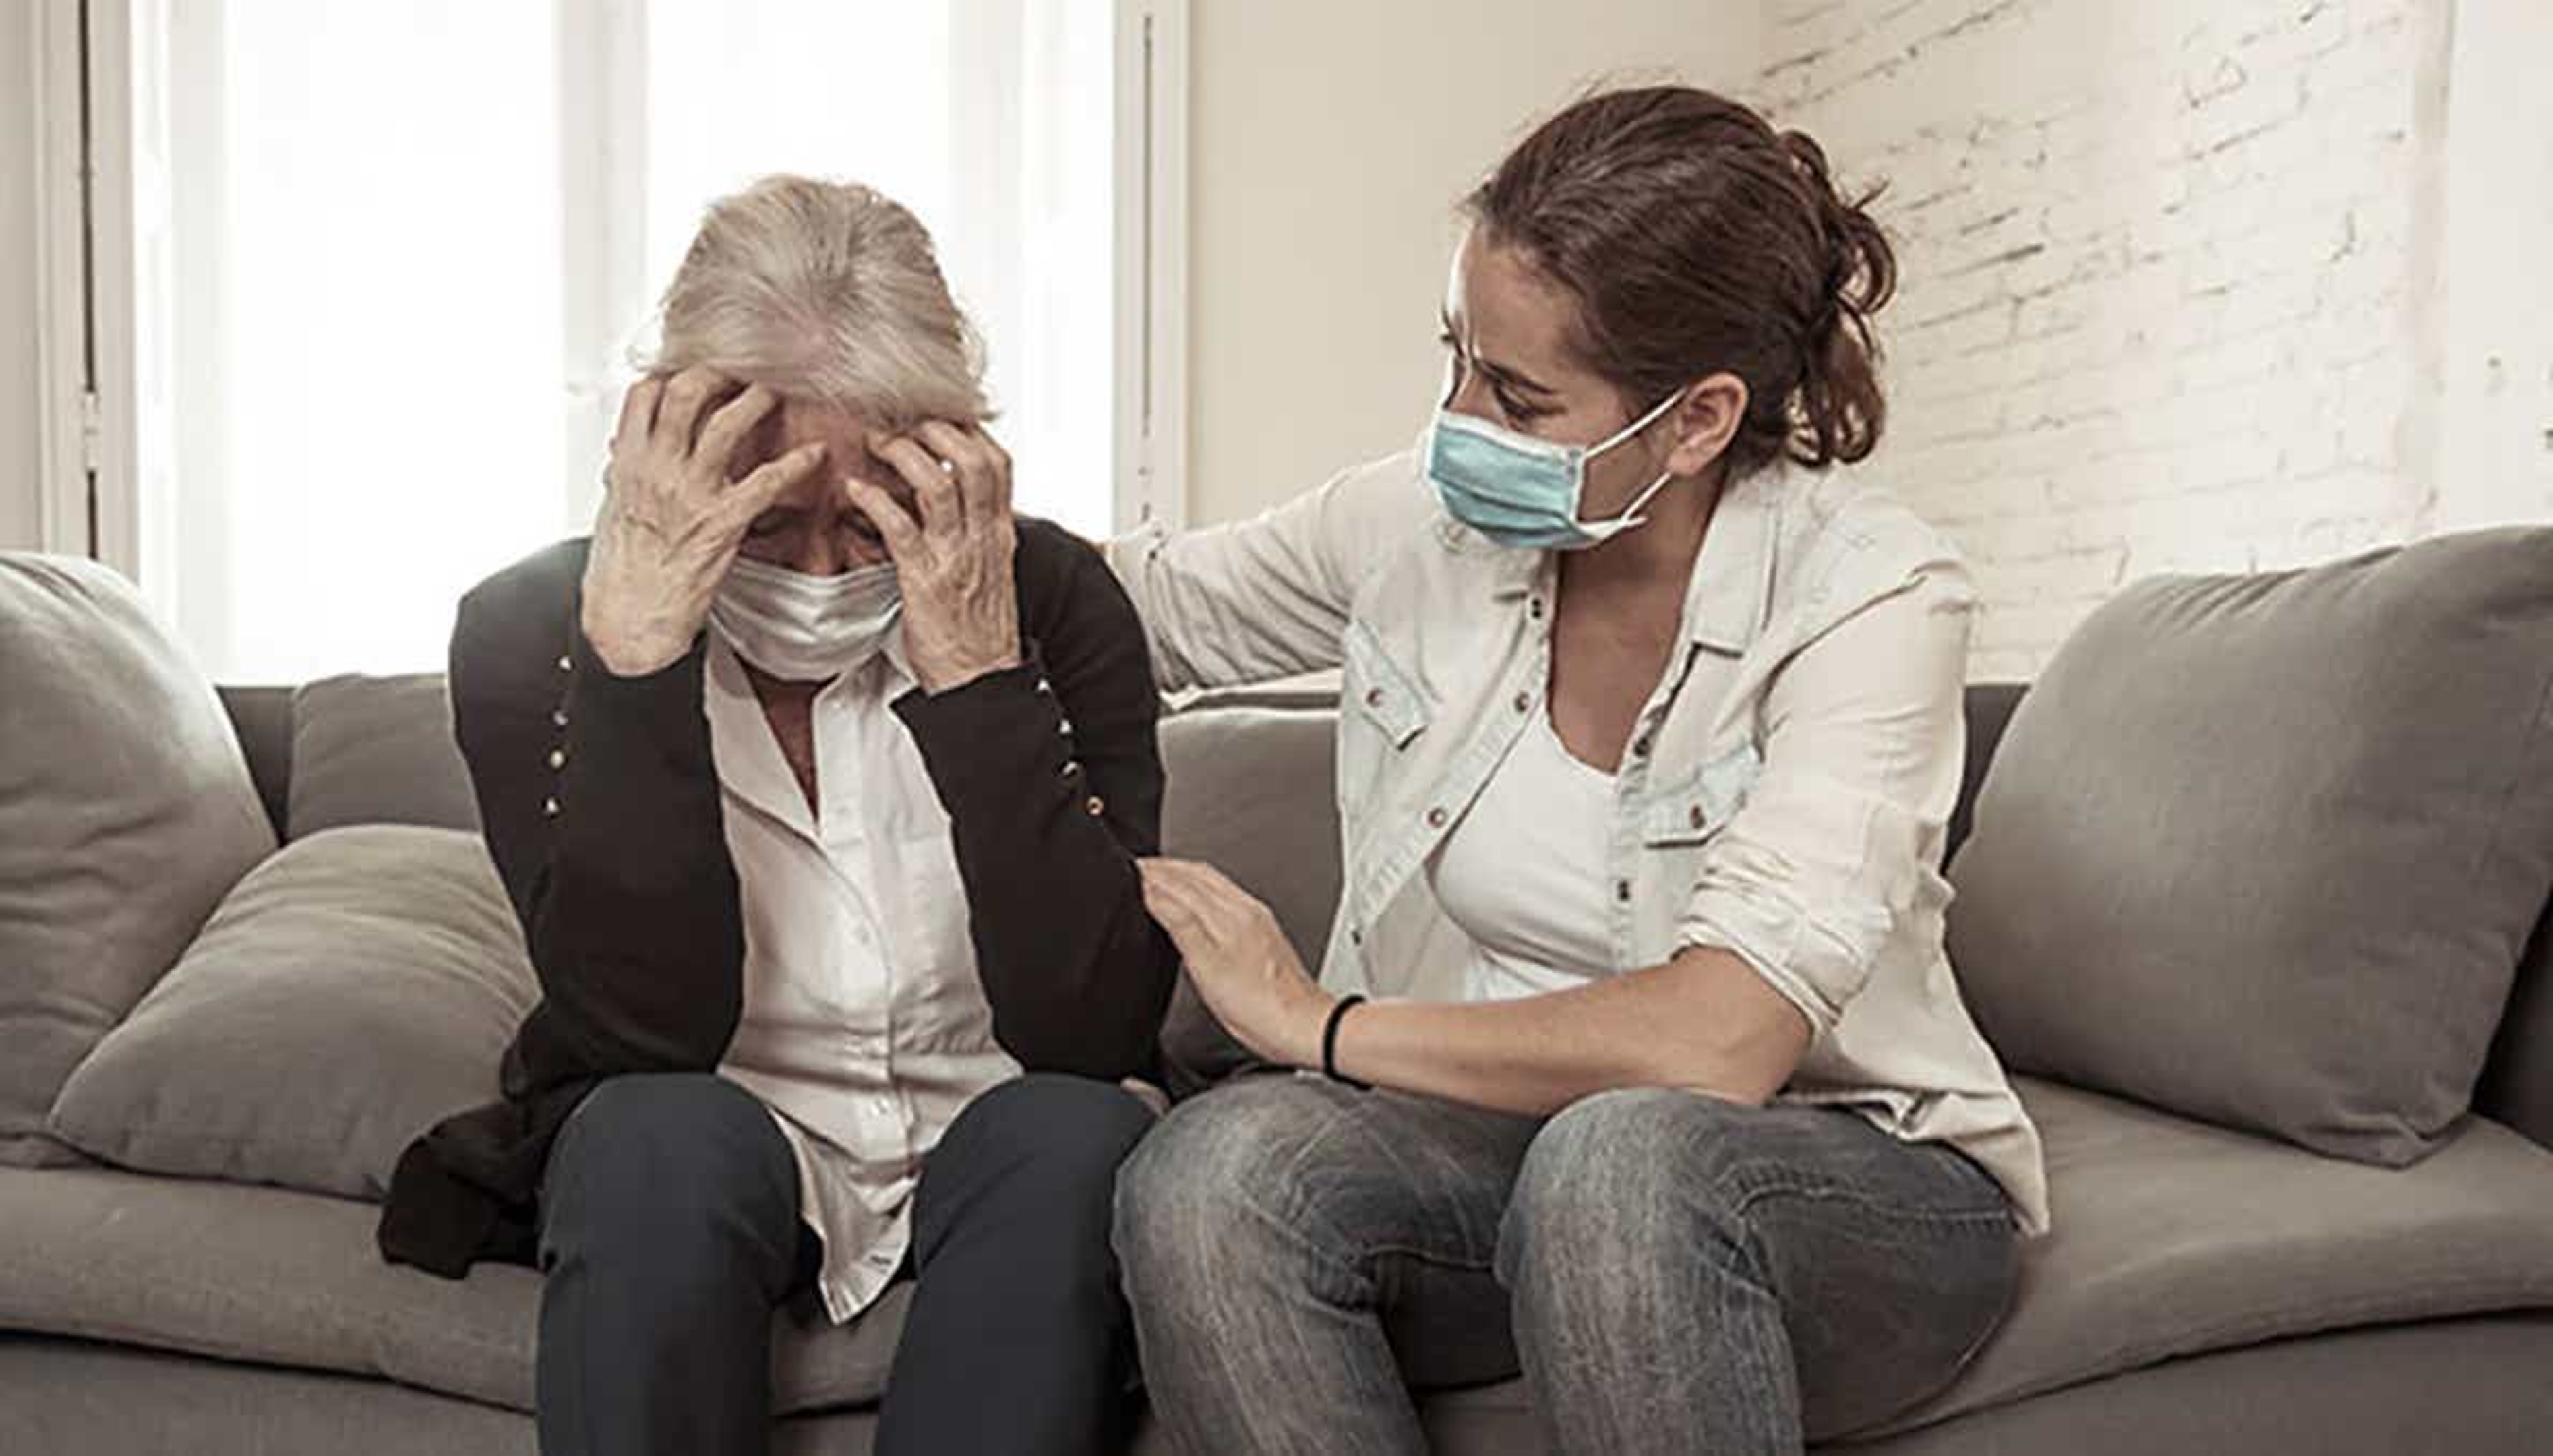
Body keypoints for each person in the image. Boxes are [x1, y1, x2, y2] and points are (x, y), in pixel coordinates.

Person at [1102, 85, 2049, 1455]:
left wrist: (1317, 1027)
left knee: (1625, 1157)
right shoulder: (1419, 529)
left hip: (1849, 1183)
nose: (1458, 421)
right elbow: (1144, 610)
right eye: (1458, 360)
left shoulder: (1871, 591)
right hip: (1522, 1162)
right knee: (1217, 1172)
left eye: (1519, 396)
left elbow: (1722, 1041)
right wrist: (882, 471)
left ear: (1696, 419)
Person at [373, 175, 1175, 1456]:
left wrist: (977, 675)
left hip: (997, 1121)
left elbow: (1092, 1026)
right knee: (651, 1138)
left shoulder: (1056, 601)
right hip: (709, 1118)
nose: (815, 576)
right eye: (772, 522)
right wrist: (637, 654)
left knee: (1078, 1131)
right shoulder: (530, 631)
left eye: (863, 525)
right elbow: (643, 1027)